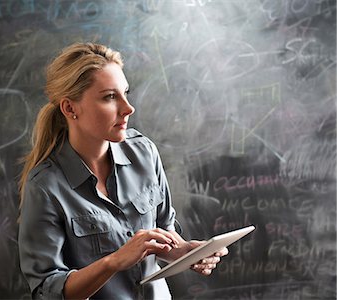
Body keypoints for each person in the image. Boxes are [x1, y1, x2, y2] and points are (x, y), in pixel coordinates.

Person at [18, 42, 228, 300]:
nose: (128, 108)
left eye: (125, 93)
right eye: (109, 97)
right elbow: (47, 290)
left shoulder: (144, 153)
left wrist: (186, 252)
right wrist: (114, 261)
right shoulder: (45, 186)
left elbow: (163, 231)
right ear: (70, 108)